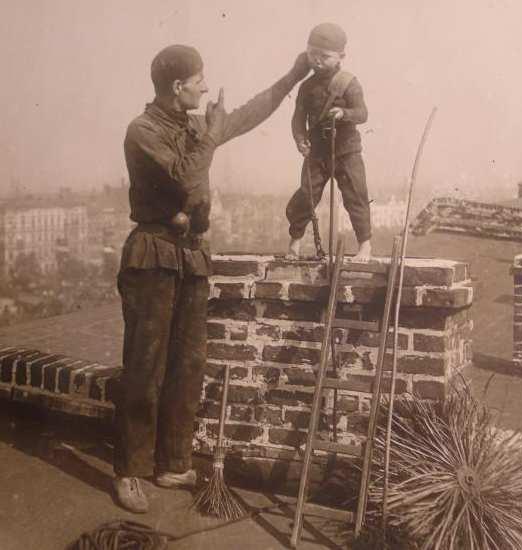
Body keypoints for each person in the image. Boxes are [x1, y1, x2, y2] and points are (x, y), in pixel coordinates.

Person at [113, 44, 310, 513]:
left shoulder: (194, 125)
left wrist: (293, 76)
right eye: (199, 80)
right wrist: (212, 135)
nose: (206, 86)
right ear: (178, 86)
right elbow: (185, 176)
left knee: (188, 364)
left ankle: (172, 462)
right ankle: (128, 471)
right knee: (145, 368)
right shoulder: (142, 131)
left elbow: (245, 115)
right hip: (154, 254)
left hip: (191, 257)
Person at [285, 23, 372, 260]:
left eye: (325, 56)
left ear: (340, 56)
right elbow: (297, 120)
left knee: (356, 195)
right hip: (317, 152)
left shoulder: (348, 83)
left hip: (347, 151)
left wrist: (345, 114)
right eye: (312, 54)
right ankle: (295, 242)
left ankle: (365, 246)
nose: (317, 60)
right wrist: (300, 139)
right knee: (307, 194)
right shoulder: (306, 87)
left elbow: (363, 113)